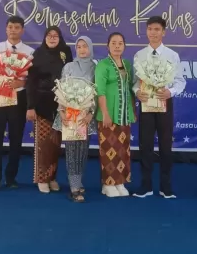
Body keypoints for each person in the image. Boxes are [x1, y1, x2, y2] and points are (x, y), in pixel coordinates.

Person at [132, 16, 186, 199]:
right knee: (145, 145)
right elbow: (135, 82)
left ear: (164, 32)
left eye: (157, 29)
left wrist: (171, 92)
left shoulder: (172, 55)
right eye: (150, 29)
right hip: (146, 104)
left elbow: (180, 81)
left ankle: (165, 186)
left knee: (165, 145)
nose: (153, 33)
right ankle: (146, 185)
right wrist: (137, 92)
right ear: (146, 31)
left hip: (165, 103)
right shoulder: (139, 55)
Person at [0, 16, 34, 192]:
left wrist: (21, 83)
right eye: (10, 27)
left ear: (22, 30)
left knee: (16, 139)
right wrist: (3, 80)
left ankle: (11, 177)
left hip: (19, 98)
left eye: (17, 27)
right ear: (6, 29)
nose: (13, 30)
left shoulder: (30, 52)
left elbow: (32, 78)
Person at [26, 26, 73, 193]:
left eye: (56, 36)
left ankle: (52, 177)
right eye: (49, 35)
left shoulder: (65, 53)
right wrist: (30, 107)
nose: (52, 38)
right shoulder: (37, 54)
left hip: (60, 106)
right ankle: (42, 178)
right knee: (43, 145)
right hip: (42, 105)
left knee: (56, 145)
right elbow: (30, 83)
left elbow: (70, 77)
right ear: (45, 38)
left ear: (60, 38)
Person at [53, 36, 97, 203]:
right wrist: (61, 111)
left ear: (90, 48)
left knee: (83, 151)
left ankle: (78, 181)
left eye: (85, 46)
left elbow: (97, 93)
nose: (82, 49)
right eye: (79, 46)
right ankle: (74, 188)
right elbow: (61, 90)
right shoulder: (69, 67)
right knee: (72, 151)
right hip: (69, 116)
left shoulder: (96, 67)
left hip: (85, 116)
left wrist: (91, 113)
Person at [95, 32, 136, 198]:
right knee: (109, 149)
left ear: (124, 46)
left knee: (122, 150)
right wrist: (105, 113)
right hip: (109, 115)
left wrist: (132, 112)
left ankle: (120, 181)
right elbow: (100, 91)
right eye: (114, 43)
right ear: (108, 46)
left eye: (120, 43)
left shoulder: (127, 64)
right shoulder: (102, 65)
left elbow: (130, 89)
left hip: (125, 115)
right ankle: (108, 184)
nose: (117, 46)